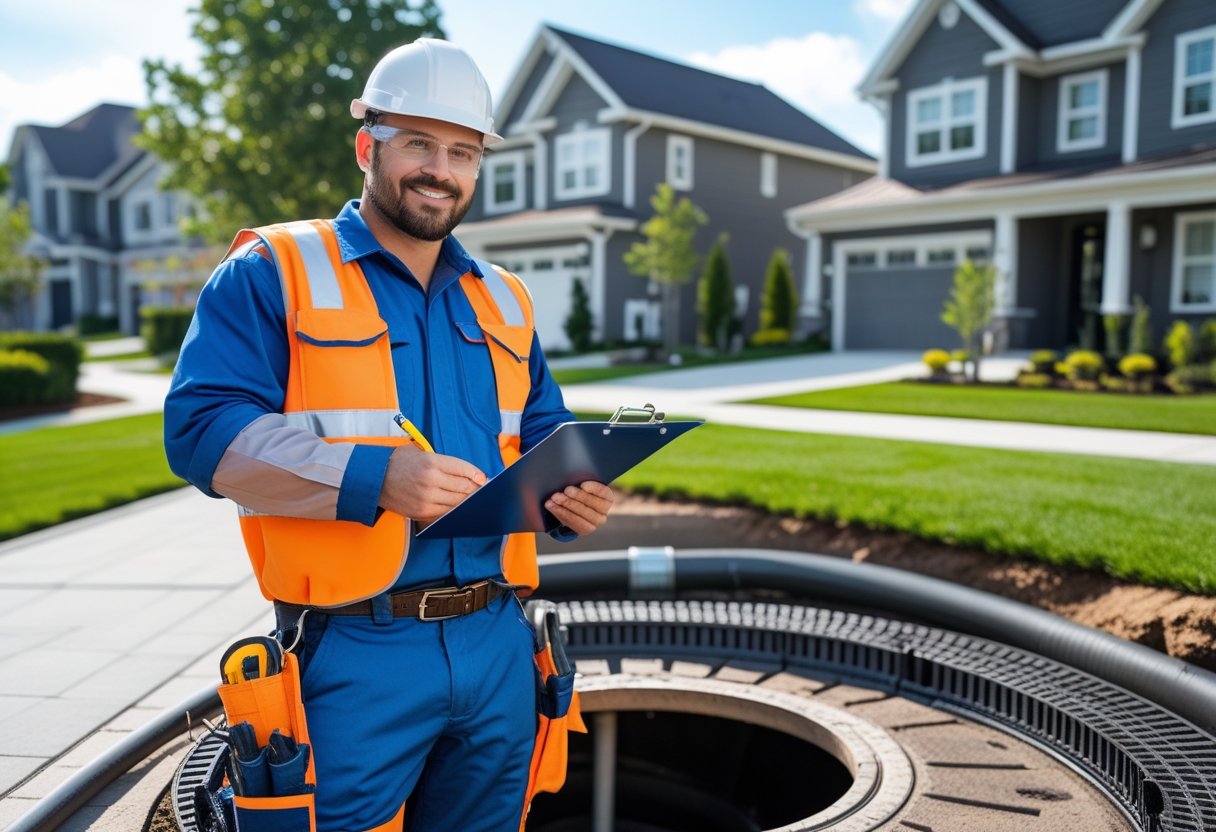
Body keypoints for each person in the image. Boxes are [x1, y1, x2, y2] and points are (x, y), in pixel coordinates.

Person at [164, 38, 614, 832]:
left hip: (497, 642)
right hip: (353, 652)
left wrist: (569, 494)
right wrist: (376, 479)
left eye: (463, 152)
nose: (441, 169)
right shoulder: (277, 267)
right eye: (419, 143)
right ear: (368, 145)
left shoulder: (505, 299)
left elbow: (541, 431)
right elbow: (203, 433)